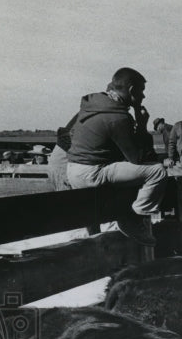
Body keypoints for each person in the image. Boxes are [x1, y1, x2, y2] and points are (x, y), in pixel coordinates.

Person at [66, 66, 167, 246]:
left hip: (74, 169)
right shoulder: (118, 117)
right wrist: (142, 125)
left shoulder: (95, 106)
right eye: (141, 91)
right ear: (130, 90)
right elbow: (138, 158)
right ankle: (134, 219)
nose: (144, 96)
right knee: (157, 171)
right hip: (92, 173)